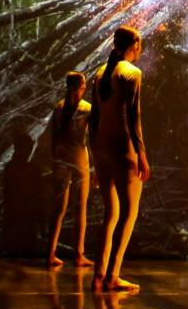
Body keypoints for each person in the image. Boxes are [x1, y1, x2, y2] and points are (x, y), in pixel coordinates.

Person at [89, 26, 150, 294]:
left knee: (110, 213)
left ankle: (98, 274)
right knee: (128, 213)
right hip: (123, 149)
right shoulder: (131, 73)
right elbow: (133, 117)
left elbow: (94, 119)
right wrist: (142, 155)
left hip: (101, 149)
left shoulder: (100, 73)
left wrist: (94, 154)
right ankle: (113, 275)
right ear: (134, 44)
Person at [47, 71, 95, 269]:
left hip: (60, 159)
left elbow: (52, 137)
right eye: (83, 85)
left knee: (59, 208)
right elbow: (93, 138)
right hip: (79, 158)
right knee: (80, 207)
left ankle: (50, 253)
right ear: (80, 87)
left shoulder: (58, 107)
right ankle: (79, 254)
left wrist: (55, 156)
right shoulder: (87, 109)